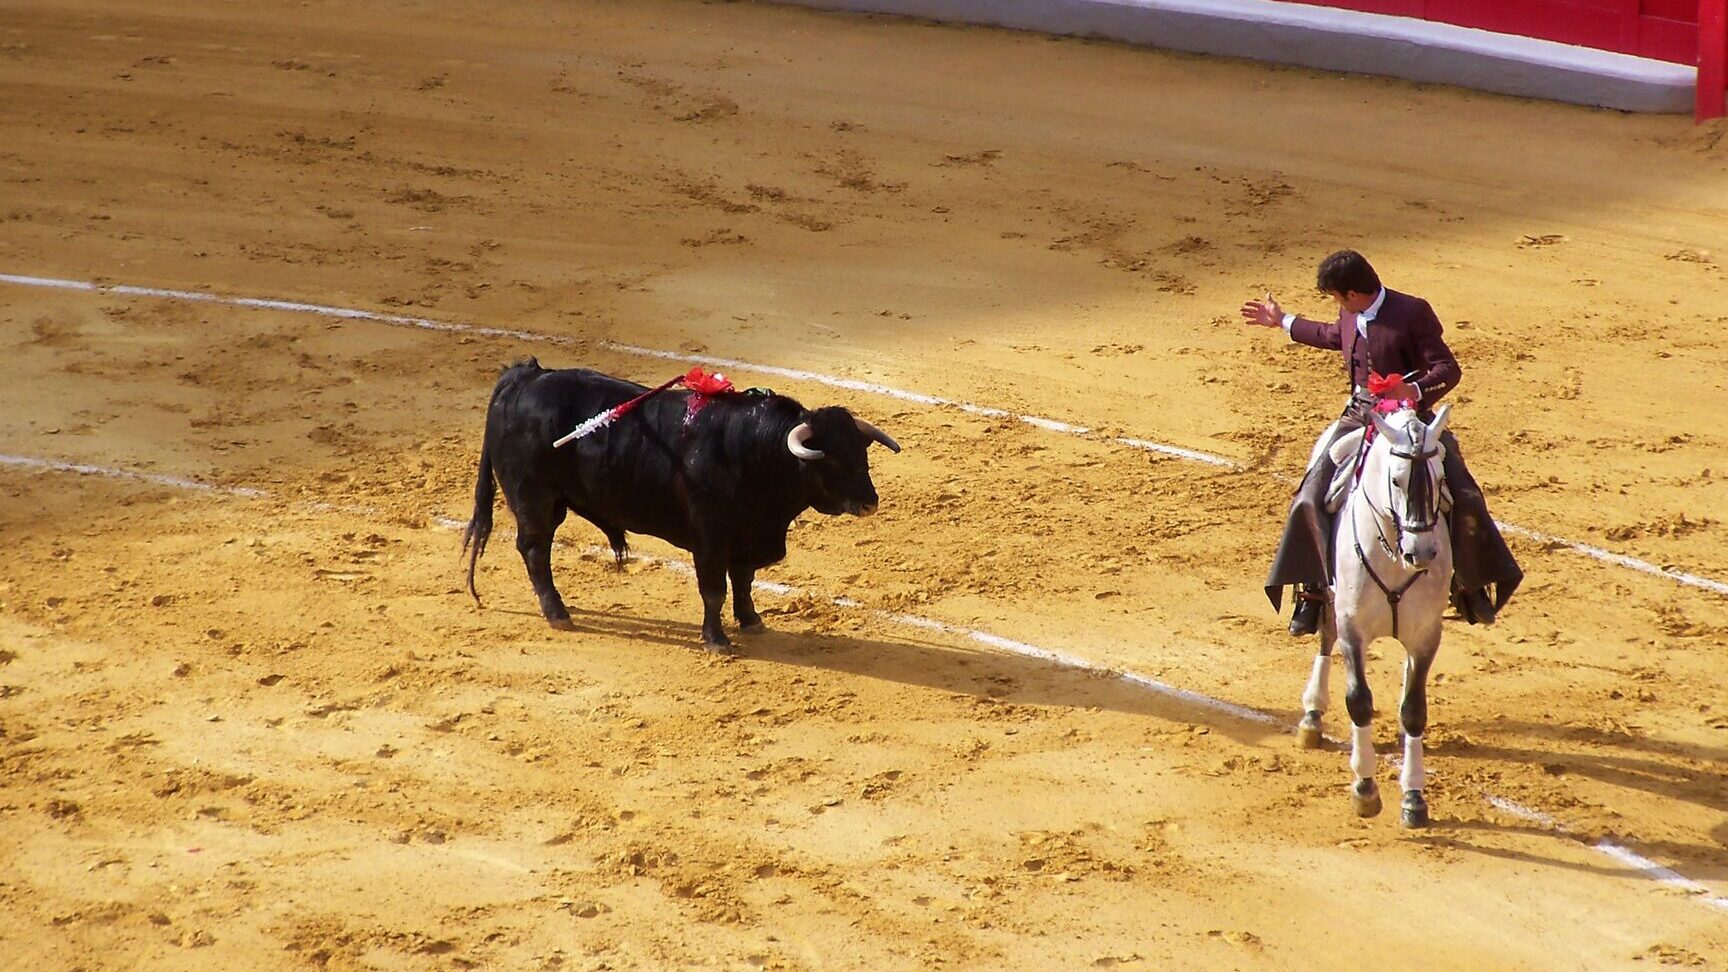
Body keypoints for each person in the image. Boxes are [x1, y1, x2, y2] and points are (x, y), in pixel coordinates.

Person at [1240, 249, 1521, 635]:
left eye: (1338, 297)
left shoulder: (1412, 312)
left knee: (1464, 493)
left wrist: (1417, 389)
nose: (1338, 305)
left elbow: (1448, 368)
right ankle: (1312, 592)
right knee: (1310, 495)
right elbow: (1331, 336)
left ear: (1353, 294)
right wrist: (1283, 322)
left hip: (1411, 420)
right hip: (1360, 414)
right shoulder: (1350, 312)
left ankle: (1471, 585)